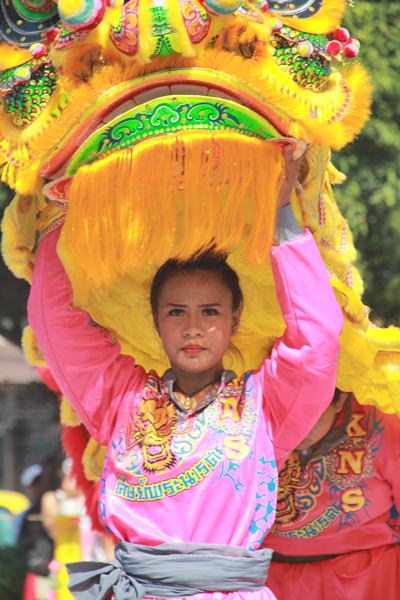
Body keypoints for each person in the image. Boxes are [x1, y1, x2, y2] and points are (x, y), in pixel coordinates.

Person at [28, 147, 343, 599]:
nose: (193, 327)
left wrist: (280, 215)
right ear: (155, 321)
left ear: (235, 319)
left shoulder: (267, 405)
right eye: (176, 311)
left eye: (210, 311)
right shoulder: (121, 399)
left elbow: (317, 339)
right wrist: (59, 210)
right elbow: (54, 319)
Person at [265, 389, 400, 599]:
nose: (300, 431)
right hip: (269, 577)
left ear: (341, 400)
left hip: (364, 578)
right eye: (289, 415)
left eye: (314, 417)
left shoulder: (380, 419)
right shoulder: (251, 411)